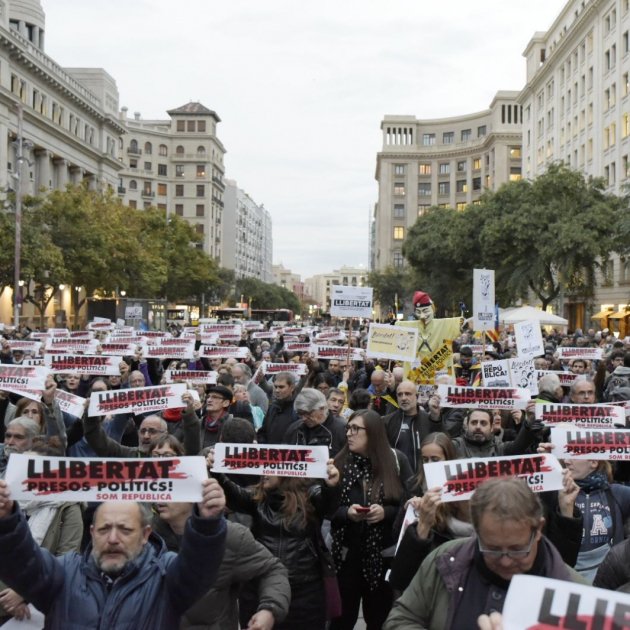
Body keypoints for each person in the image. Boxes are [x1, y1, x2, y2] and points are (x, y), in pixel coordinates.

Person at [0, 478, 228, 630]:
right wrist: (7, 519)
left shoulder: (166, 575)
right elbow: (24, 565)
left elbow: (198, 569)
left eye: (125, 529)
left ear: (145, 534)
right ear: (92, 532)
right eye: (104, 528)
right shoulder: (65, 572)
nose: (112, 539)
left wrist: (207, 524)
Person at [384, 478, 584, 630]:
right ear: (476, 530)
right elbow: (401, 619)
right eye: (493, 549)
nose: (505, 561)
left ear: (538, 529)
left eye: (517, 549)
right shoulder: (444, 560)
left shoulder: (575, 590)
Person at [213, 459, 341, 630]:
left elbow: (328, 503)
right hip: (259, 591)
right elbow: (233, 494)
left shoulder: (310, 496)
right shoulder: (258, 498)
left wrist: (331, 486)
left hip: (304, 594)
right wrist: (216, 472)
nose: (264, 471)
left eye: (270, 467)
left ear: (287, 470)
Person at [330, 409, 413, 630]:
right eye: (348, 428)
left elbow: (410, 504)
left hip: (383, 558)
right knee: (341, 620)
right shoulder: (338, 463)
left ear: (374, 433)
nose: (349, 433)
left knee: (379, 620)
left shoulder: (396, 460)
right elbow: (324, 509)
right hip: (346, 557)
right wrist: (347, 513)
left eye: (356, 429)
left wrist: (386, 513)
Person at [153, 502, 290, 630]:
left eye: (173, 489)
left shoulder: (229, 537)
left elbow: (272, 570)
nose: (162, 495)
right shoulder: (143, 537)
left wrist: (269, 610)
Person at [0, 438, 84, 624]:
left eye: (33, 468)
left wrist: (25, 593)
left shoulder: (67, 508)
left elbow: (66, 561)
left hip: (30, 607)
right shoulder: (6, 504)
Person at [563, 458, 630, 582]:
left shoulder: (616, 493)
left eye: (573, 456)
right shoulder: (559, 494)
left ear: (593, 462)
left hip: (610, 579)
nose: (567, 461)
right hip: (570, 578)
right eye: (565, 456)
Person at [396, 291, 461, 385]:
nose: (422, 316)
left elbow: (467, 323)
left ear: (433, 309)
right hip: (415, 384)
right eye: (418, 312)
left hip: (441, 382)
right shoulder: (405, 327)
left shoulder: (447, 325)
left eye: (425, 311)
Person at [383, 380, 443, 473]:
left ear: (417, 396)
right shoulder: (387, 422)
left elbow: (444, 445)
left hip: (424, 479)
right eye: (400, 394)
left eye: (408, 394)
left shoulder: (430, 420)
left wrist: (436, 419)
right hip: (397, 479)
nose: (403, 398)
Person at [451, 408, 539, 459]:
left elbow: (519, 446)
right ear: (467, 425)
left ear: (491, 427)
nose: (478, 426)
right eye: (474, 422)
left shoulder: (499, 447)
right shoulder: (454, 446)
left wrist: (528, 423)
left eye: (483, 423)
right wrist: (436, 418)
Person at [283, 388, 347, 456]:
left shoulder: (341, 430)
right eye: (300, 414)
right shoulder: (294, 429)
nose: (304, 418)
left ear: (322, 408)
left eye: (308, 413)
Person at [258, 372, 298, 444]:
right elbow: (263, 432)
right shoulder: (272, 408)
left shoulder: (298, 409)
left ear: (292, 388)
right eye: (276, 387)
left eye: (281, 387)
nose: (277, 390)